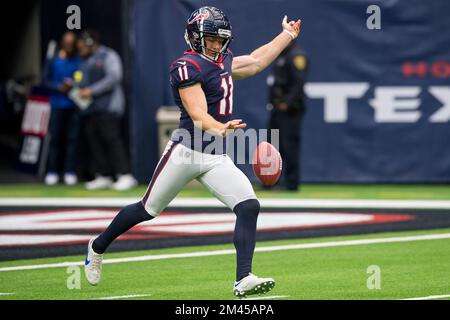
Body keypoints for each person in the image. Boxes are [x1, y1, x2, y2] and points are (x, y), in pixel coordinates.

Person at [84, 7, 301, 297]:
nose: (216, 45)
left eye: (219, 39)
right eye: (210, 39)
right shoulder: (185, 66)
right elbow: (198, 115)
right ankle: (97, 247)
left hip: (215, 155)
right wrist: (221, 128)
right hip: (186, 150)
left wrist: (286, 35)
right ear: (195, 37)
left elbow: (256, 62)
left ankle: (243, 278)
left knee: (248, 205)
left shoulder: (223, 59)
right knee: (147, 209)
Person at [76, 30, 137, 191]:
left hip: (109, 107)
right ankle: (104, 175)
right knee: (94, 141)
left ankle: (125, 175)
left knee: (112, 140)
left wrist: (91, 90)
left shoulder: (108, 55)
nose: (80, 49)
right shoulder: (85, 61)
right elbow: (81, 80)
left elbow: (114, 77)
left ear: (90, 43)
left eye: (83, 45)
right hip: (91, 108)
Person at [267, 42, 308, 191]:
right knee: (274, 146)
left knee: (289, 145)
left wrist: (287, 103)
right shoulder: (281, 56)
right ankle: (270, 181)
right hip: (276, 108)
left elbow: (298, 83)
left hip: (290, 110)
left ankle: (291, 183)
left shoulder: (296, 56)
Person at [42, 31, 81, 186]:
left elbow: (81, 79)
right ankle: (52, 171)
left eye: (72, 43)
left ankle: (69, 172)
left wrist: (72, 85)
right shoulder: (53, 60)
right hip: (57, 104)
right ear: (62, 43)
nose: (69, 45)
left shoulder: (79, 60)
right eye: (66, 42)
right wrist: (58, 87)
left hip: (74, 105)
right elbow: (45, 81)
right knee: (55, 139)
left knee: (72, 140)